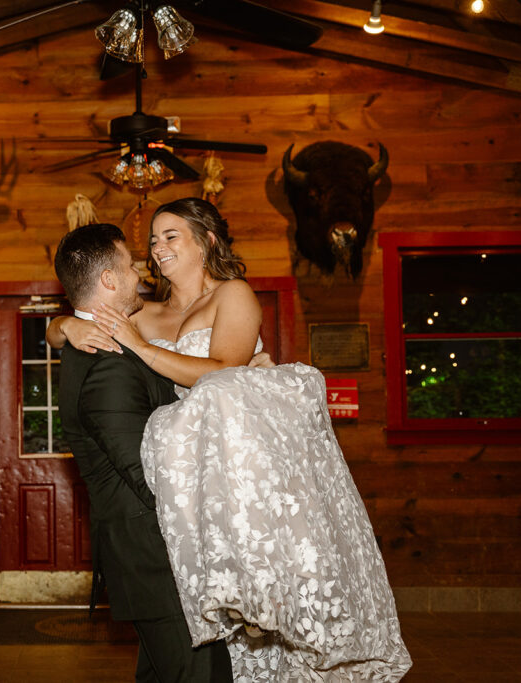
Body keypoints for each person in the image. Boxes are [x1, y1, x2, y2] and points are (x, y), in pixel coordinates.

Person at [49, 199, 411, 681]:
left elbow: (220, 372)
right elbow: (85, 320)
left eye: (170, 235)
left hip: (231, 490)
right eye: (152, 239)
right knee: (196, 664)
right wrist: (64, 326)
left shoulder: (231, 295)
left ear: (207, 241)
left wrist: (159, 353)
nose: (156, 248)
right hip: (182, 499)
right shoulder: (144, 315)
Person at [54, 222, 234, 683]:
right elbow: (149, 475)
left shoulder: (103, 346)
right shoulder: (106, 364)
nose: (142, 272)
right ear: (110, 281)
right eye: (132, 265)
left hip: (152, 558)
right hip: (155, 558)